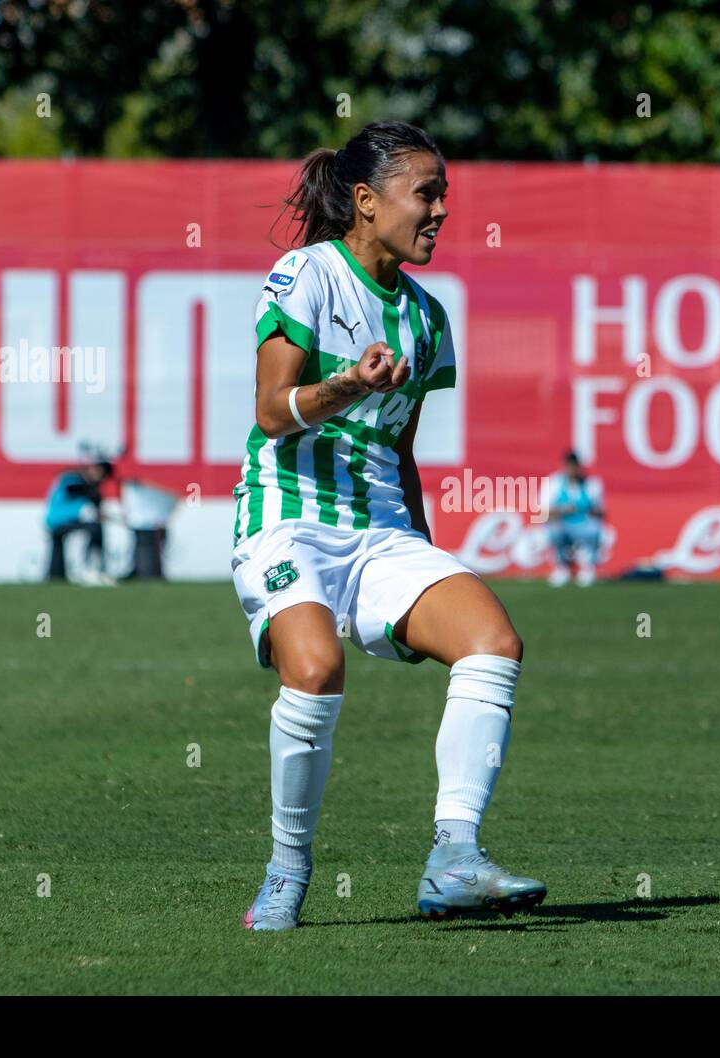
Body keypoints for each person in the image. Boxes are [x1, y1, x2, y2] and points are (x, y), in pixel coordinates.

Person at [231, 121, 546, 931]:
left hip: (381, 532)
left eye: (444, 194)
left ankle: (454, 858)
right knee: (315, 665)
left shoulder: (428, 319)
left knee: (493, 640)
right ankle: (287, 869)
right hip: (287, 522)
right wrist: (345, 385)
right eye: (426, 193)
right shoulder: (304, 275)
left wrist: (427, 556)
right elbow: (272, 413)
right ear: (366, 203)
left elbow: (402, 454)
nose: (440, 209)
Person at [43, 460, 114, 584]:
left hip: (65, 521)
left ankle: (60, 576)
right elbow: (70, 490)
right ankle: (89, 568)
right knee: (94, 529)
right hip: (58, 521)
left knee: (94, 528)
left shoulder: (91, 488)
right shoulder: (72, 478)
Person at [544, 451, 606, 586]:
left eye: (575, 466)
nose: (572, 470)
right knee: (553, 530)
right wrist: (564, 510)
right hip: (562, 524)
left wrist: (587, 509)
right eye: (569, 466)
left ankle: (588, 567)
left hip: (583, 524)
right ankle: (562, 568)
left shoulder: (591, 484)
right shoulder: (553, 483)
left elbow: (602, 513)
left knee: (595, 528)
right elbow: (542, 515)